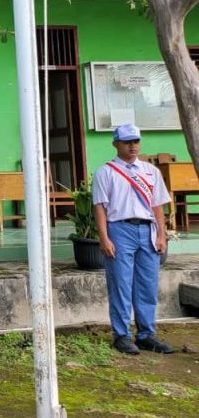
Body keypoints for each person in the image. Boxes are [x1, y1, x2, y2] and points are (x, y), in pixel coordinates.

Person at [92, 124, 175, 355]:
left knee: (147, 285)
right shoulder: (105, 172)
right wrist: (104, 237)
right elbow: (99, 207)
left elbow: (157, 205)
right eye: (127, 142)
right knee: (120, 284)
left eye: (136, 141)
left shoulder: (151, 171)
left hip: (147, 230)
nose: (132, 146)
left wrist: (161, 235)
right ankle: (122, 335)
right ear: (115, 144)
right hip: (119, 229)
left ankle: (147, 334)